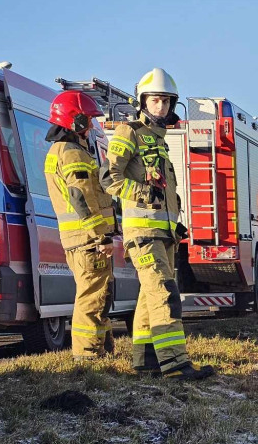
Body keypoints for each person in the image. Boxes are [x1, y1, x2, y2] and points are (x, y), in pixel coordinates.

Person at [105, 68, 214, 381]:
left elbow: (164, 191)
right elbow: (109, 179)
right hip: (143, 234)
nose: (162, 107)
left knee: (148, 298)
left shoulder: (158, 140)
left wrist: (174, 225)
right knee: (165, 294)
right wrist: (142, 193)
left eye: (166, 101)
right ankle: (176, 365)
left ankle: (146, 359)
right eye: (156, 100)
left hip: (162, 234)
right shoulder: (130, 133)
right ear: (142, 101)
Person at [43, 91, 116, 361]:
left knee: (98, 293)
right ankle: (87, 355)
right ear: (75, 121)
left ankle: (102, 349)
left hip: (80, 239)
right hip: (88, 240)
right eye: (87, 121)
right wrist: (101, 236)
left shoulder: (61, 150)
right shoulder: (72, 153)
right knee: (92, 296)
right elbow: (82, 197)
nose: (90, 127)